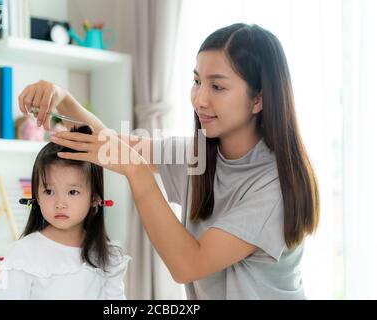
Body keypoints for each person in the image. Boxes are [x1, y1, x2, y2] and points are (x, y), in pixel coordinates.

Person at [18, 23, 320, 300]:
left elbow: (188, 264)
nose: (200, 99)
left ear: (259, 99)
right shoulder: (198, 155)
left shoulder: (276, 186)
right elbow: (110, 145)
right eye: (197, 81)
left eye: (217, 86)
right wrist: (63, 99)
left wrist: (136, 171)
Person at [0, 125, 130, 300]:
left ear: (95, 198)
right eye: (49, 191)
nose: (60, 204)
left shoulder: (108, 256)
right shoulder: (22, 254)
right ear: (36, 195)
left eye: (73, 192)